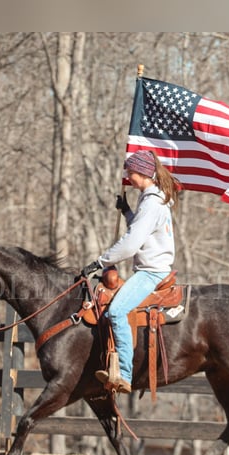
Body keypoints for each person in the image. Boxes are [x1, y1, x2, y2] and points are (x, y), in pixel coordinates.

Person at [80, 150, 180, 394]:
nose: (128, 178)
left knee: (116, 311)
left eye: (131, 173)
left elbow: (131, 243)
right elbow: (140, 229)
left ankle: (124, 374)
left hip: (151, 272)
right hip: (151, 268)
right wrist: (126, 211)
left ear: (143, 173)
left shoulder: (152, 202)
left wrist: (100, 262)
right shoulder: (151, 199)